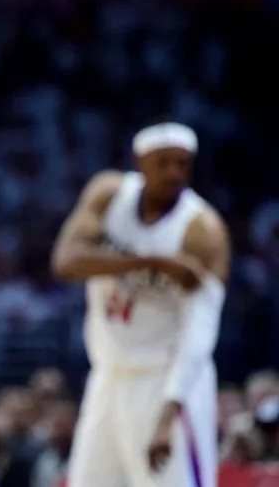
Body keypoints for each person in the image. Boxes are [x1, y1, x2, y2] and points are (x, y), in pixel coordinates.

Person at [51, 122, 231, 487]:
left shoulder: (202, 230)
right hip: (108, 376)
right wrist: (151, 262)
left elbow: (201, 331)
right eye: (164, 162)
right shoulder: (108, 195)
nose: (174, 173)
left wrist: (169, 415)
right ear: (140, 162)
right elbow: (65, 262)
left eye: (183, 164)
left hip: (165, 380)